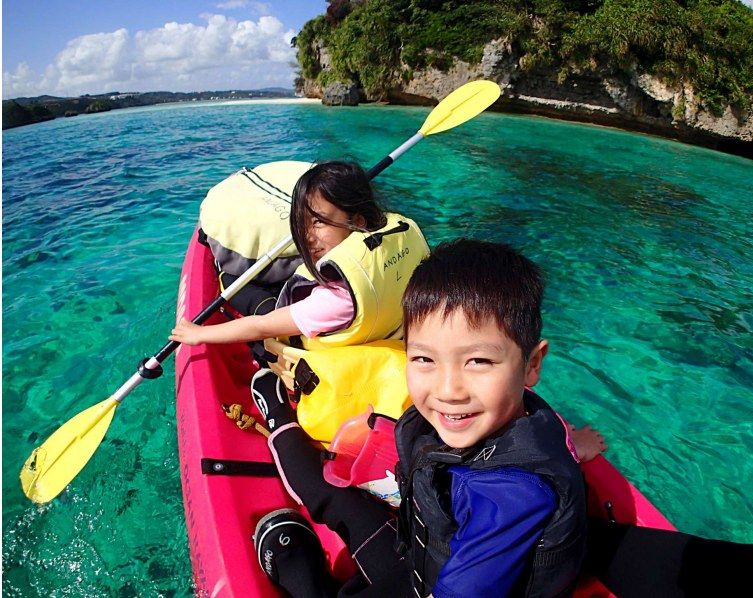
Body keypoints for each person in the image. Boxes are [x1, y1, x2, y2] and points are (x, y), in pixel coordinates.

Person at [251, 238, 588, 597]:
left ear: (531, 364)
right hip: (424, 555)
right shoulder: (515, 413)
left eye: (479, 361)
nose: (448, 390)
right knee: (340, 492)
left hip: (434, 582)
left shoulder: (510, 497)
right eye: (424, 359)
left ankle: (305, 579)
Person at [170, 160, 430, 426]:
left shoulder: (336, 301)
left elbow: (261, 327)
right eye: (302, 223)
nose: (306, 236)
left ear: (358, 221)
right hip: (380, 332)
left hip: (327, 363)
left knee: (244, 289)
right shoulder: (398, 237)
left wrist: (199, 334)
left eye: (318, 222)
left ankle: (227, 279)